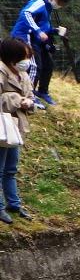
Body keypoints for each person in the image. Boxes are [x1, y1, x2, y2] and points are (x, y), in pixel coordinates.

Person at [9, 0, 71, 108]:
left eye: (62, 5)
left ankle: (42, 91)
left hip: (36, 39)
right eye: (59, 3)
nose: (60, 6)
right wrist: (38, 31)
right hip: (24, 36)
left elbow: (43, 27)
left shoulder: (48, 7)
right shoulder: (40, 2)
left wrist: (55, 31)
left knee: (48, 65)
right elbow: (26, 13)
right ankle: (28, 95)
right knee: (34, 66)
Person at [0, 38, 36, 225]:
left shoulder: (24, 74)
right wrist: (16, 99)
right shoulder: (1, 71)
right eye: (24, 57)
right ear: (12, 58)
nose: (27, 61)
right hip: (2, 127)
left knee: (11, 169)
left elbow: (30, 96)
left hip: (15, 129)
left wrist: (30, 103)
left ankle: (14, 204)